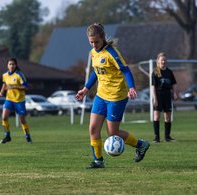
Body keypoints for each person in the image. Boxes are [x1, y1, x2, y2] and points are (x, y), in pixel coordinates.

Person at [76, 23, 150, 169]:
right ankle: (98, 161)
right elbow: (95, 72)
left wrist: (132, 87)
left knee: (112, 132)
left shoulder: (112, 53)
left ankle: (141, 145)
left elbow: (126, 70)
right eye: (91, 42)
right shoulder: (93, 53)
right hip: (101, 96)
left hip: (116, 97)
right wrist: (86, 89)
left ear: (102, 37)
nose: (94, 45)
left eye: (96, 41)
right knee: (93, 129)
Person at [0, 58, 32, 144]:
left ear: (16, 65)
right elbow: (5, 84)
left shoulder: (19, 75)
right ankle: (7, 136)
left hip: (19, 101)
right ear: (7, 65)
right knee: (4, 117)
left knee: (22, 120)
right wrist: (2, 91)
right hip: (9, 99)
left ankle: (27, 136)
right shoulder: (5, 75)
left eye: (13, 64)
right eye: (10, 64)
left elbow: (26, 87)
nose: (11, 66)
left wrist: (15, 87)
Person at [151, 52, 177, 143]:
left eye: (165, 60)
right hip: (158, 95)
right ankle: (156, 137)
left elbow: (173, 83)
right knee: (156, 116)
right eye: (162, 60)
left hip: (167, 95)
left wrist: (174, 93)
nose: (163, 61)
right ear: (158, 61)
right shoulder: (156, 71)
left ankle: (167, 137)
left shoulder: (169, 72)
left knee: (168, 117)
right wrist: (155, 98)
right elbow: (153, 86)